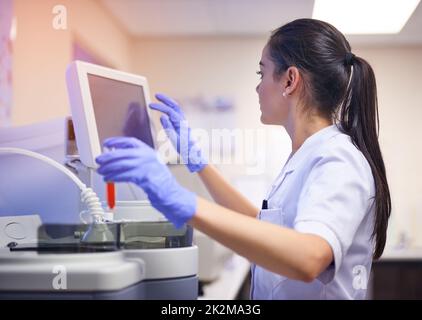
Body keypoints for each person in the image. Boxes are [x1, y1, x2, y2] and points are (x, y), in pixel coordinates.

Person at [95, 18, 391, 300]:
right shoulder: (305, 155)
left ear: (290, 80)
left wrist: (184, 201)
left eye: (262, 73)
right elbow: (261, 227)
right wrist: (198, 163)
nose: (258, 87)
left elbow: (310, 257)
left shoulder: (337, 159)